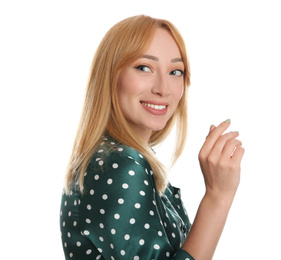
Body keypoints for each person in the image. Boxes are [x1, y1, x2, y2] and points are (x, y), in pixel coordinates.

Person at [60, 15, 245, 260]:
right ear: (110, 75)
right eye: (144, 67)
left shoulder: (119, 159)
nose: (163, 88)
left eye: (175, 71)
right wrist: (218, 196)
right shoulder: (121, 166)